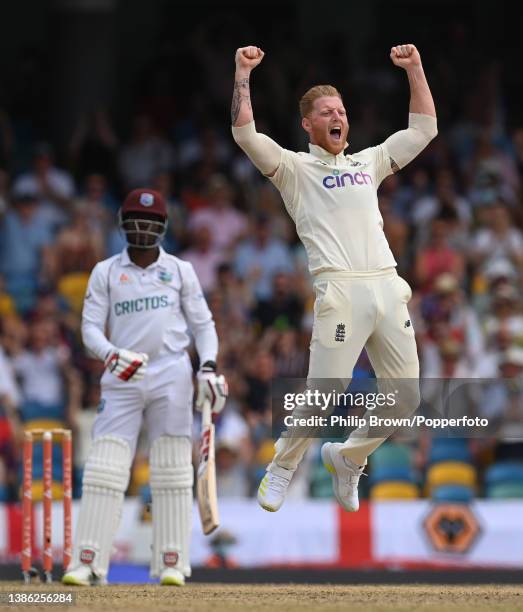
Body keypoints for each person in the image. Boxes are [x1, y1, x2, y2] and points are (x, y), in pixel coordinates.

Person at [231, 44, 437, 513]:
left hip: (387, 284)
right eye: (326, 112)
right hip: (340, 288)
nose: (336, 115)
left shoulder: (369, 162)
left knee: (406, 398)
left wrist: (415, 69)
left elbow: (425, 129)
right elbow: (245, 135)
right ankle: (282, 466)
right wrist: (243, 73)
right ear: (308, 124)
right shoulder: (294, 169)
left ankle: (348, 457)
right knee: (324, 393)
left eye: (341, 110)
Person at [62, 188, 227, 586]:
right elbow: (88, 329)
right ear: (122, 224)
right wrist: (111, 354)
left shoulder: (181, 270)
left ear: (164, 227)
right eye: (136, 220)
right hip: (121, 374)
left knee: (171, 469)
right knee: (105, 468)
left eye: (151, 223)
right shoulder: (105, 271)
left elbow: (204, 326)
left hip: (171, 374)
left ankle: (172, 561)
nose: (143, 229)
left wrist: (206, 368)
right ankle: (88, 562)